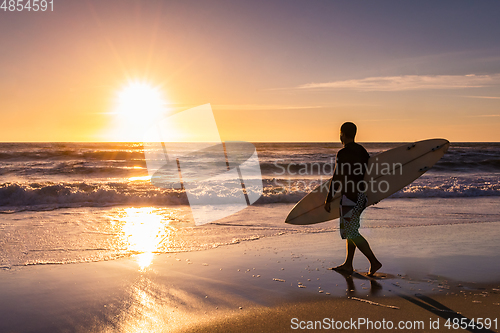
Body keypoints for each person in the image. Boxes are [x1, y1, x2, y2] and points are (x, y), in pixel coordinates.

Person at [324, 122, 382, 276]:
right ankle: (348, 264)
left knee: (351, 231)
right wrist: (374, 194)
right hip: (361, 196)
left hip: (350, 197)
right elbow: (370, 174)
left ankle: (374, 262)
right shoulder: (362, 151)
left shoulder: (343, 153)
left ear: (342, 133)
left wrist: (329, 198)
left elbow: (337, 178)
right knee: (352, 230)